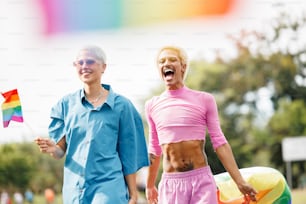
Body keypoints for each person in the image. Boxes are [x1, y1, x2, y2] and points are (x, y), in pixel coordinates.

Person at [35, 45, 149, 204]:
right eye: (79, 63)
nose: (84, 66)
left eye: (90, 62)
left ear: (103, 67)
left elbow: (128, 154)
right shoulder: (66, 105)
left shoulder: (122, 106)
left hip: (109, 185)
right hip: (74, 188)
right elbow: (60, 152)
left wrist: (133, 194)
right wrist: (52, 148)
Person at [144, 46, 257, 204]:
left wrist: (240, 181)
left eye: (172, 60)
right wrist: (149, 186)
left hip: (201, 182)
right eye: (161, 61)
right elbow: (154, 149)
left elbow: (220, 143)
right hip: (171, 185)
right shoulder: (152, 105)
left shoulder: (204, 100)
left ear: (183, 66)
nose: (166, 63)